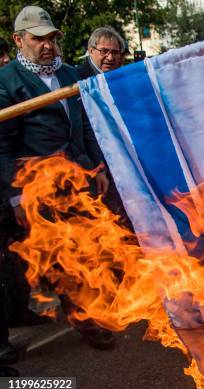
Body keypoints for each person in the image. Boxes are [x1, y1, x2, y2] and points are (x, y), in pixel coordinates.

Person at [0, 6, 115, 350]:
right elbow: (2, 147)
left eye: (51, 38)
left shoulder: (68, 75)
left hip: (77, 179)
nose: (47, 45)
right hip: (38, 187)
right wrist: (16, 196)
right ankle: (84, 321)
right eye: (39, 39)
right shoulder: (7, 83)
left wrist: (97, 168)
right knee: (60, 257)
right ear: (18, 40)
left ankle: (90, 311)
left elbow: (85, 126)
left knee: (86, 251)